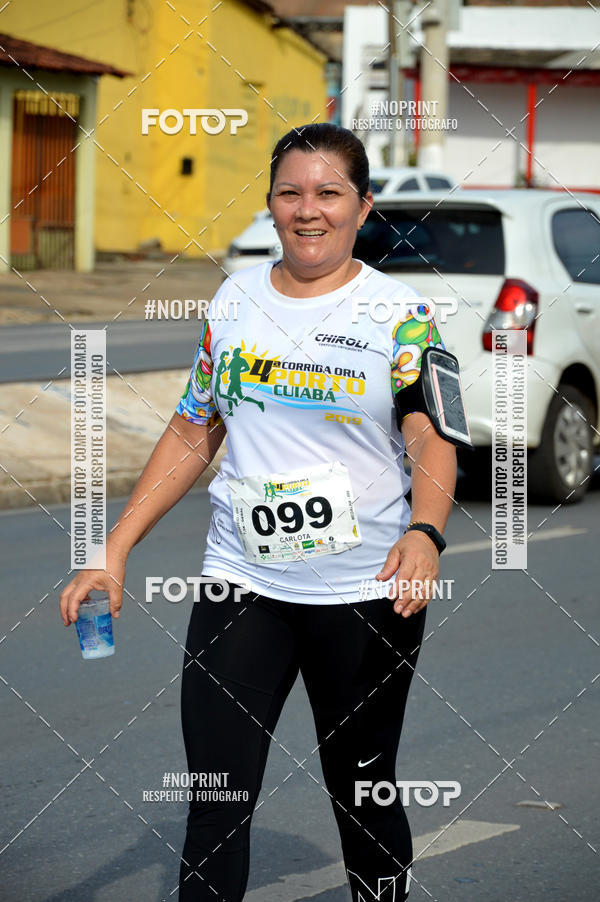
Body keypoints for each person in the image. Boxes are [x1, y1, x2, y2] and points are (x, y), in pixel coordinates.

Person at [60, 123, 457, 902]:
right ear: (271, 204)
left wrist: (425, 531)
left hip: (365, 595)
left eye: (329, 193)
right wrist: (114, 548)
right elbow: (192, 425)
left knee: (363, 798)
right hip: (240, 584)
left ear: (364, 206)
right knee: (215, 803)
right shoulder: (236, 297)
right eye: (290, 193)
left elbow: (431, 435)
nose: (308, 211)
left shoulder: (399, 313)